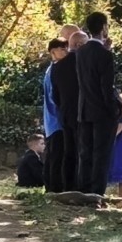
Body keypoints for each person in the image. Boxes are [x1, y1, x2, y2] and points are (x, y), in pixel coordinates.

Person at [76, 12, 122, 196]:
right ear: (104, 27)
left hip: (84, 108)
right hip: (102, 111)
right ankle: (96, 192)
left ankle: (84, 188)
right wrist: (115, 108)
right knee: (101, 154)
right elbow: (106, 86)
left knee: (85, 152)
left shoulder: (80, 52)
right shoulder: (105, 55)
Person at [50, 30, 86, 193]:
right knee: (82, 150)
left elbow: (55, 95)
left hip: (65, 113)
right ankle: (81, 185)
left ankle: (68, 185)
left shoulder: (56, 68)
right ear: (79, 45)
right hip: (82, 112)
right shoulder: (81, 62)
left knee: (69, 151)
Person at [42, 38, 69, 192]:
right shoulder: (55, 70)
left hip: (52, 121)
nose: (66, 51)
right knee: (56, 156)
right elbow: (54, 96)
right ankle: (54, 189)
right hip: (56, 120)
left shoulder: (51, 69)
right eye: (62, 48)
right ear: (53, 52)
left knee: (53, 155)